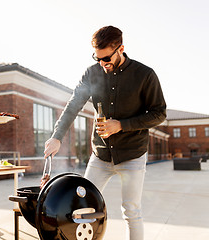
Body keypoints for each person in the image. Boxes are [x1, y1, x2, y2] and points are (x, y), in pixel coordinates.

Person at [44, 26, 166, 240]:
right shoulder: (91, 73)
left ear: (121, 49)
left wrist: (121, 125)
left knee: (131, 211)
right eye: (97, 58)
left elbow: (159, 113)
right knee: (82, 207)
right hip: (100, 155)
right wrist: (57, 136)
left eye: (106, 58)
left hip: (132, 155)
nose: (102, 63)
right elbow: (73, 105)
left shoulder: (145, 75)